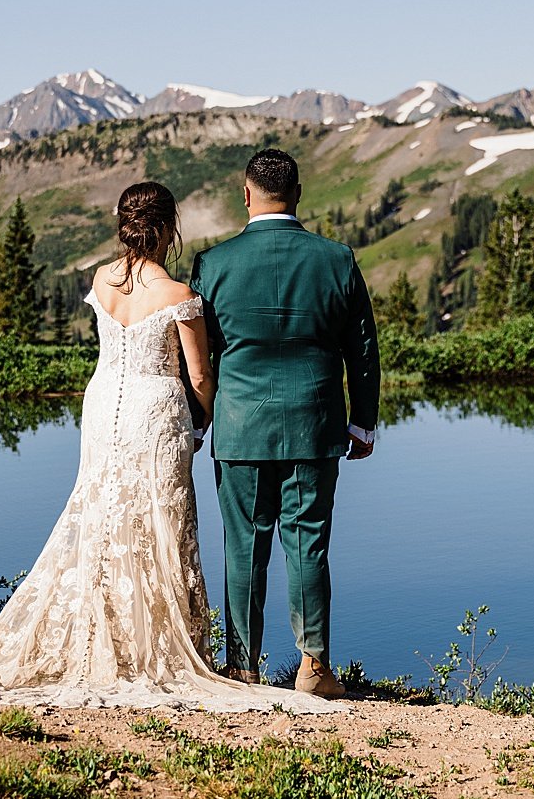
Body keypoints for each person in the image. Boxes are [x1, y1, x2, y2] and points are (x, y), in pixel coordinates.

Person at [0, 181, 342, 712]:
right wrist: (206, 415)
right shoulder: (180, 297)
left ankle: (106, 639)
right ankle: (151, 647)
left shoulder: (101, 279)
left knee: (103, 515)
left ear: (126, 227)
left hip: (102, 409)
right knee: (159, 519)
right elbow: (201, 375)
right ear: (168, 230)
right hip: (155, 410)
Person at [190, 149, 381, 699]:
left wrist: (199, 425)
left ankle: (243, 668)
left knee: (244, 546)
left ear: (245, 195)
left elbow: (201, 357)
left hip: (239, 429)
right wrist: (363, 423)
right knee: (309, 544)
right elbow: (362, 350)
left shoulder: (213, 265)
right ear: (298, 193)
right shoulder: (337, 259)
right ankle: (313, 668)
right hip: (316, 425)